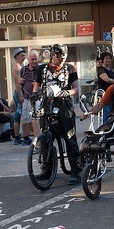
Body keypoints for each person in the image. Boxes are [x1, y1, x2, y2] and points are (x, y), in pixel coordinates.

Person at [32, 44, 82, 185]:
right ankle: (47, 169)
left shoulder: (70, 68)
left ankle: (75, 170)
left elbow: (77, 88)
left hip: (64, 106)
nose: (62, 61)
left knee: (70, 137)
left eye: (64, 58)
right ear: (52, 55)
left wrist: (68, 92)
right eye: (59, 58)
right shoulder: (42, 69)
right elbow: (37, 85)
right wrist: (35, 94)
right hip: (47, 105)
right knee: (46, 138)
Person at [20, 50, 41, 145]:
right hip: (26, 97)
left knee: (36, 119)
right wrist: (20, 81)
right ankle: (26, 137)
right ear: (28, 59)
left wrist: (39, 85)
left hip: (37, 98)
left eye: (35, 59)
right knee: (24, 118)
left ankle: (38, 139)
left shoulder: (41, 69)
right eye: (32, 59)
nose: (34, 61)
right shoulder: (23, 70)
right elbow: (20, 83)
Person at [97, 51, 114, 123]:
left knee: (112, 112)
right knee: (106, 112)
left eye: (109, 58)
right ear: (103, 59)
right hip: (105, 93)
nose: (108, 60)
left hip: (112, 93)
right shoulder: (101, 69)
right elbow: (107, 80)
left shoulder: (111, 69)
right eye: (106, 58)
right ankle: (105, 129)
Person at [12, 47, 26, 145]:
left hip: (20, 92)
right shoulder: (17, 67)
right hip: (19, 92)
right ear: (16, 56)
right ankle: (17, 137)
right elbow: (17, 83)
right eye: (22, 55)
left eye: (24, 55)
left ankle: (20, 136)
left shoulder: (20, 66)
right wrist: (20, 96)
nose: (24, 57)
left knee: (20, 114)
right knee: (19, 114)